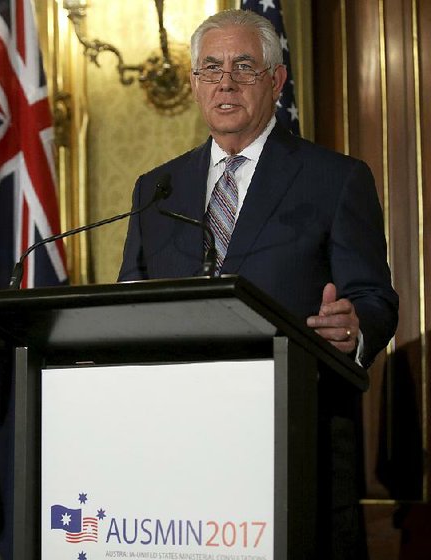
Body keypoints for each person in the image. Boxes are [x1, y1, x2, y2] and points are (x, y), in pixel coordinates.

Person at [118, 9, 398, 559]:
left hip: (295, 436)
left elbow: (374, 296)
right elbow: (134, 297)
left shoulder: (335, 179)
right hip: (180, 444)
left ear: (276, 80)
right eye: (211, 68)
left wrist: (355, 326)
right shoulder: (157, 188)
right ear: (195, 83)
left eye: (244, 66)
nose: (225, 82)